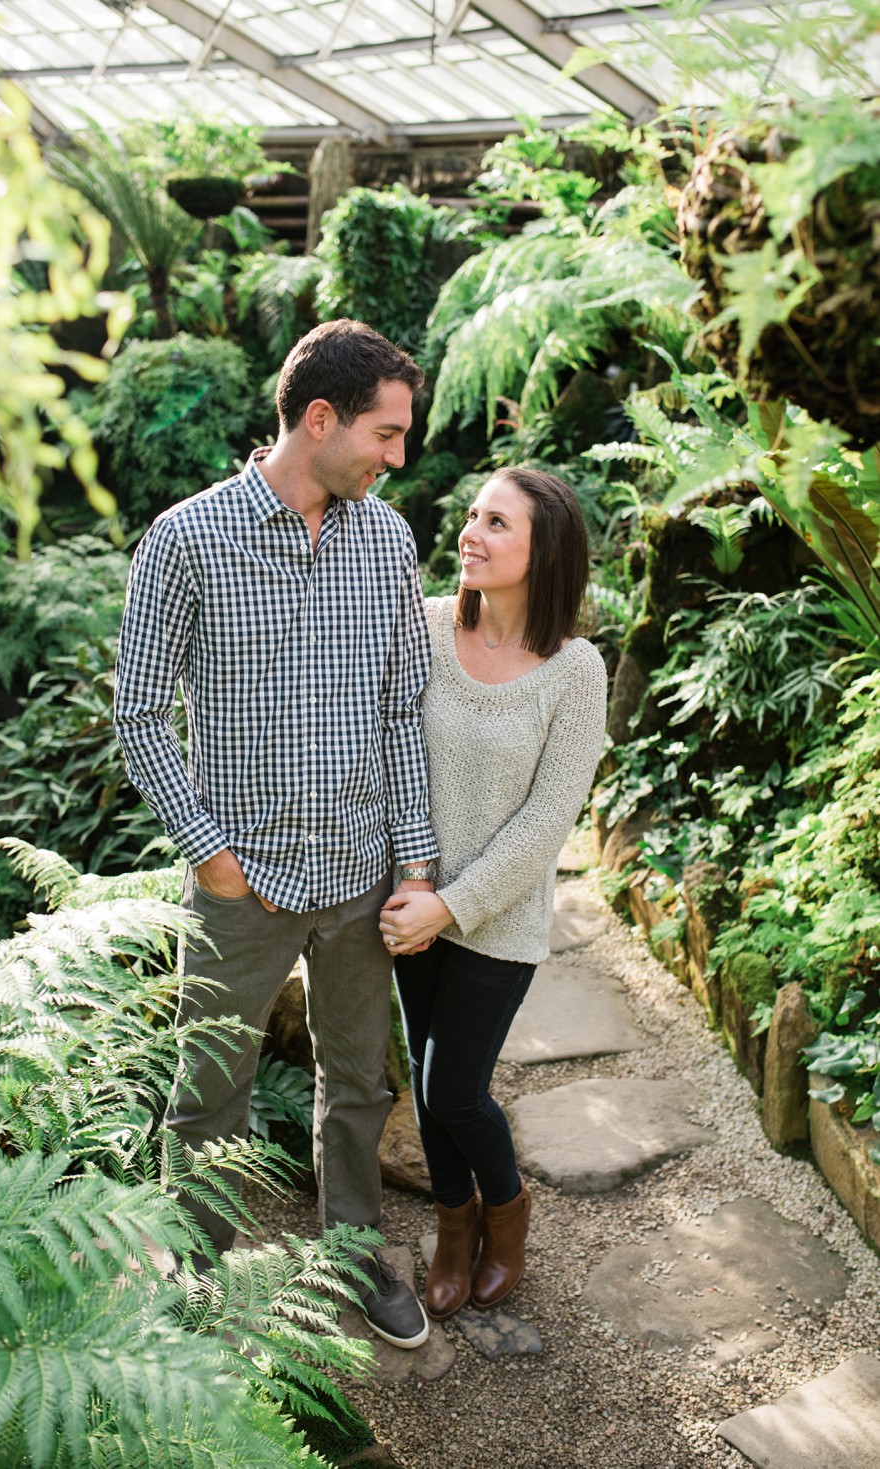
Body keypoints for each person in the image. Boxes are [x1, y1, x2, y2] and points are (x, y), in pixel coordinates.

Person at [113, 318, 439, 1349]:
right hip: (239, 880)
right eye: (385, 435)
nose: (397, 457)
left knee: (358, 1080)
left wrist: (416, 859)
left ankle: (351, 1249)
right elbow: (136, 715)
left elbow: (400, 707)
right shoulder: (185, 537)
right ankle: (202, 1272)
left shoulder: (386, 537)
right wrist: (208, 853)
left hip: (357, 869)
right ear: (317, 417)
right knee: (208, 1085)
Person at [378, 467, 607, 1321]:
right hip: (413, 895)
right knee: (428, 1085)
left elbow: (549, 820)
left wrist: (455, 905)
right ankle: (452, 1228)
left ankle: (503, 1217)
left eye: (496, 522)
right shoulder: (432, 625)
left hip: (496, 920)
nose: (471, 531)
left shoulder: (575, 671)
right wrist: (416, 886)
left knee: (454, 1088)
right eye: (473, 516)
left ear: (543, 550)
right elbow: (391, 750)